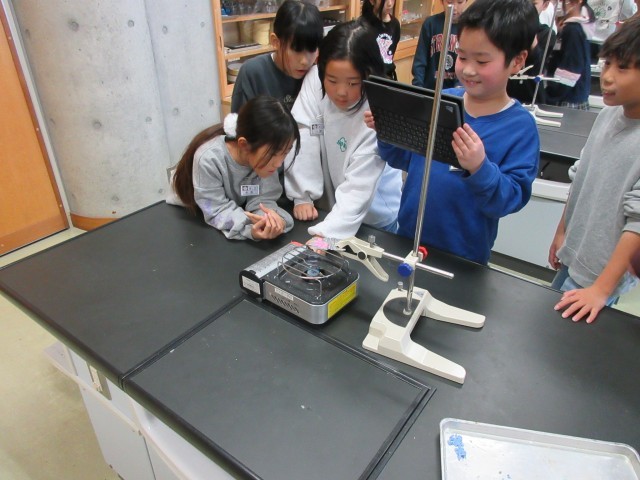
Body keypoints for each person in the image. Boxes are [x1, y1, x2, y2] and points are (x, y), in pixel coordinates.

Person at [365, 0, 541, 265]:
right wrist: (388, 130)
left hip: (464, 256)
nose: (468, 69)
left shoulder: (520, 127)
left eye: (482, 61)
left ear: (517, 61)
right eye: (462, 56)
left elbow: (510, 199)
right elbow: (405, 159)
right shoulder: (441, 100)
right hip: (409, 239)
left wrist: (479, 167)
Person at [548, 16, 640, 323]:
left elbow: (638, 221)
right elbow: (581, 175)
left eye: (622, 68)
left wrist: (601, 289)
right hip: (574, 252)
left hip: (600, 274)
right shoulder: (608, 115)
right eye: (607, 63)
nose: (607, 77)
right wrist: (562, 232)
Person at [285, 20, 403, 239]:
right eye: (332, 80)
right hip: (332, 210)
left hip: (374, 218)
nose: (341, 92)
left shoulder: (377, 111)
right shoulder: (315, 81)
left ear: (369, 75)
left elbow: (359, 188)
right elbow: (304, 134)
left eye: (353, 83)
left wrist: (325, 235)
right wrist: (303, 194)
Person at [170, 96, 300, 241]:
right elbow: (215, 209)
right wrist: (250, 229)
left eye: (286, 152)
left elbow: (263, 199)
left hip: (233, 210)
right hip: (193, 213)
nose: (278, 163)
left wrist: (271, 220)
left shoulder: (267, 158)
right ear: (244, 145)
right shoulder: (208, 158)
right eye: (273, 153)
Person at [230, 0, 323, 113]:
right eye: (297, 50)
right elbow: (239, 122)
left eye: (312, 49)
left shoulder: (318, 75)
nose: (305, 61)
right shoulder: (252, 73)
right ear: (275, 42)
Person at [508, 0, 557, 104]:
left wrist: (531, 33)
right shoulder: (505, 29)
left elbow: (538, 63)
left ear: (545, 5)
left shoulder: (547, 34)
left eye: (533, 4)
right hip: (505, 95)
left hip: (531, 96)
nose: (526, 6)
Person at [546, 0, 592, 109]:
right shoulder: (579, 25)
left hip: (568, 97)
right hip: (575, 93)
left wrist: (552, 94)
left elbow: (571, 68)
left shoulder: (572, 30)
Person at [411, 0, 467, 89]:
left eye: (460, 2)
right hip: (429, 89)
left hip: (455, 91)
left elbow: (467, 64)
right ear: (442, 1)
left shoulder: (469, 28)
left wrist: (458, 90)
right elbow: (420, 61)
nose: (454, 8)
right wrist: (418, 88)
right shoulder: (430, 24)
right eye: (449, 2)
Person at [360, 0, 401, 79]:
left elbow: (390, 55)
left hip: (388, 78)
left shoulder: (395, 24)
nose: (390, 4)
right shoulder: (363, 25)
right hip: (368, 79)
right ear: (372, 1)